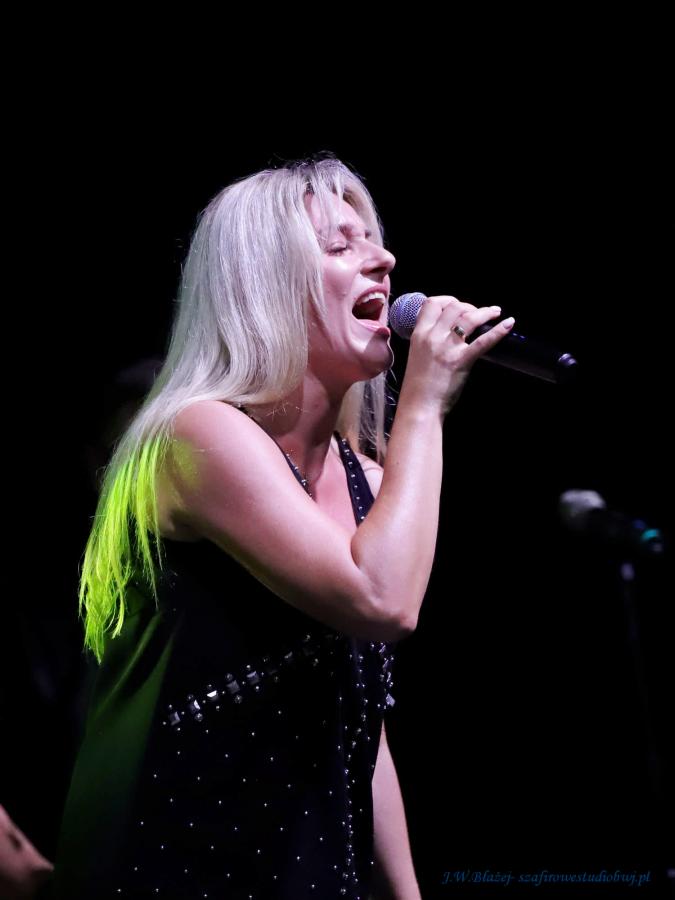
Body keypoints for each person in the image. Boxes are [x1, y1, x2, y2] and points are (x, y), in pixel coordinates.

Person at [51, 154, 515, 899]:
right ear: (263, 285)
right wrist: (424, 405)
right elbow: (383, 601)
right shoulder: (197, 437)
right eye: (339, 246)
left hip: (308, 872)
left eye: (374, 240)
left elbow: (360, 722)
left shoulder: (369, 483)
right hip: (174, 865)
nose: (384, 260)